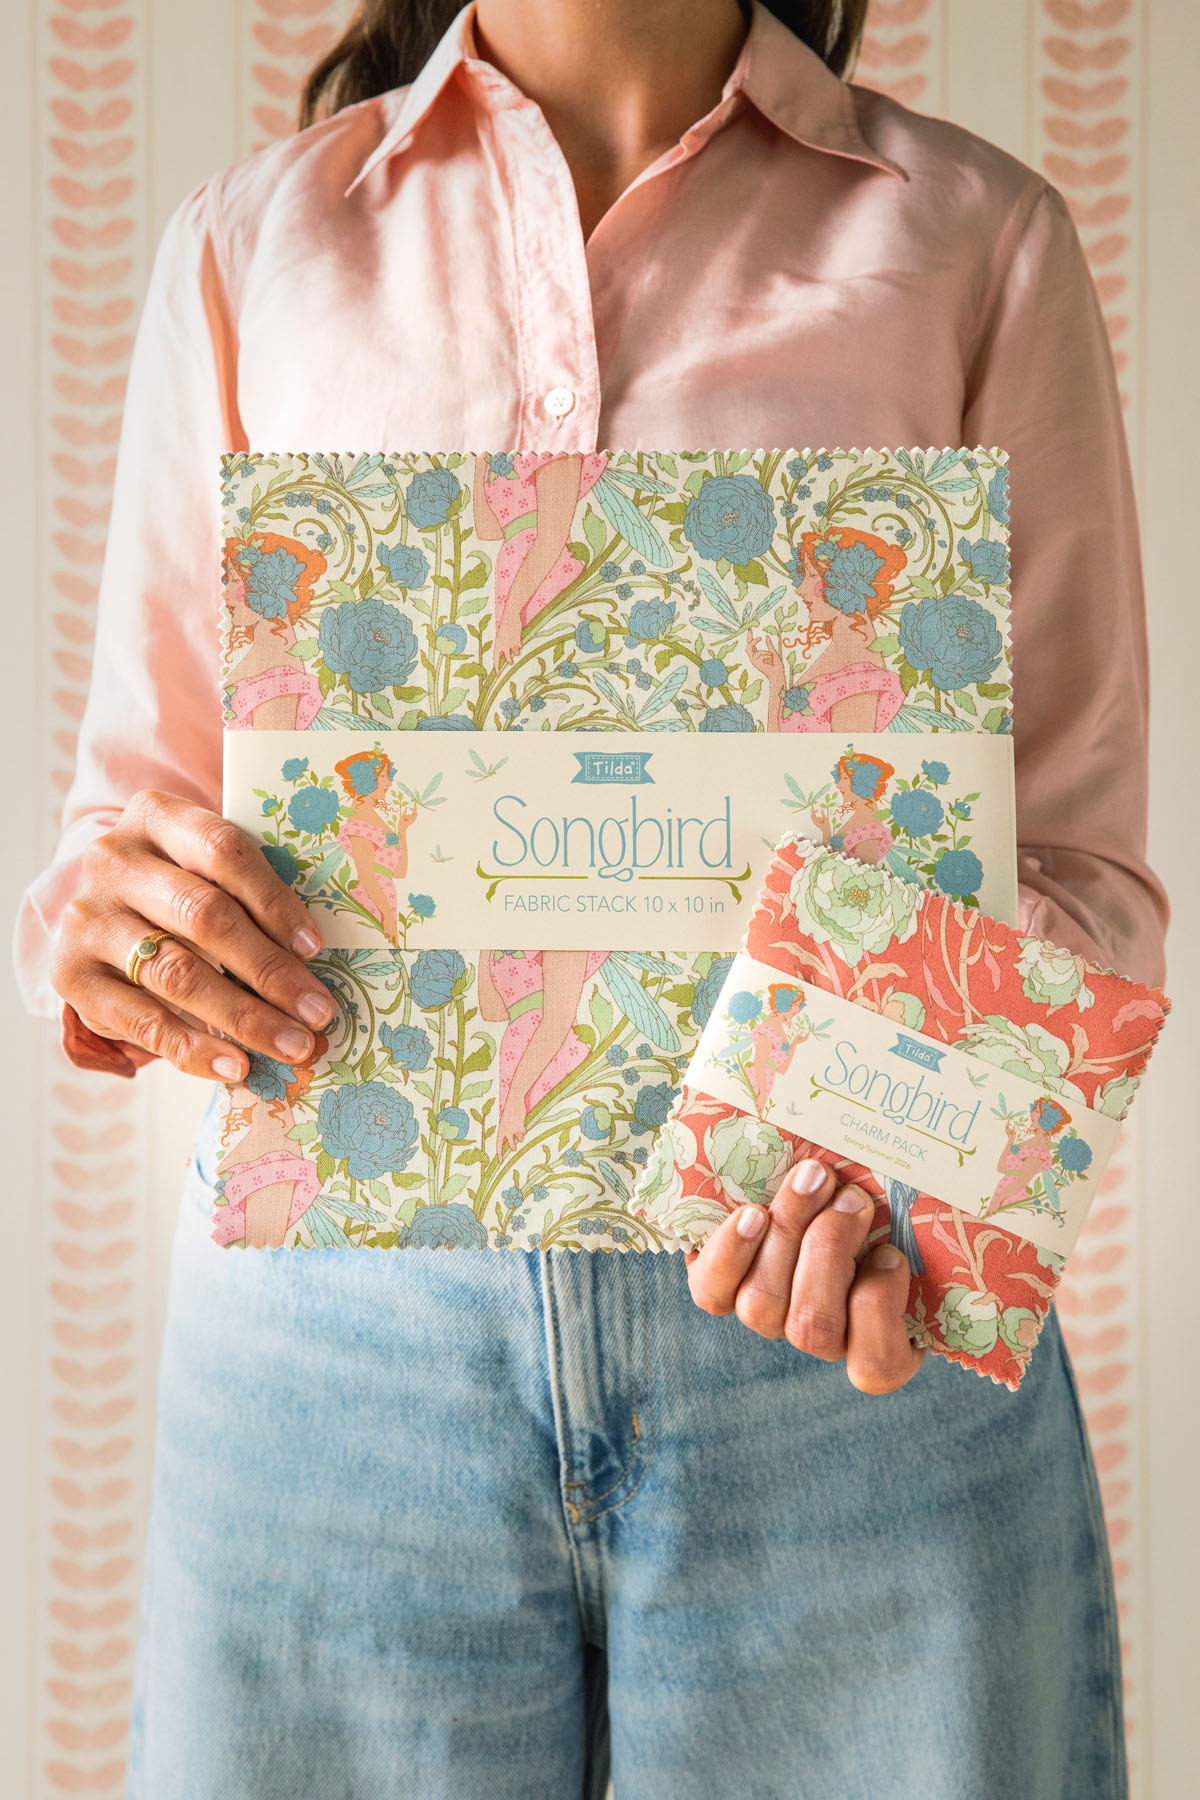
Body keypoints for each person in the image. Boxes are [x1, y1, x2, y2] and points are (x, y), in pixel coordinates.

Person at [10, 2, 1169, 1795]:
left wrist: (912, 1193)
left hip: (842, 1343)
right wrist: (106, 928)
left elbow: (1078, 876)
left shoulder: (975, 237)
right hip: (338, 1346)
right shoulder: (252, 244)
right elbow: (135, 814)